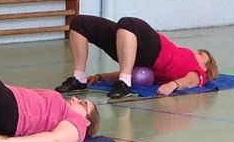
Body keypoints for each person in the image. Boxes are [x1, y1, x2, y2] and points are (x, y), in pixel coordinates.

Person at [58, 14, 219, 100]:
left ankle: (124, 84)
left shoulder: (199, 72)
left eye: (201, 54)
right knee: (80, 23)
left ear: (205, 67)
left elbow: (190, 80)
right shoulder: (180, 53)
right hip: (133, 49)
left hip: (156, 51)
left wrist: (174, 85)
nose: (196, 52)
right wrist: (101, 77)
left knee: (129, 23)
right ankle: (79, 79)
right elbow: (133, 72)